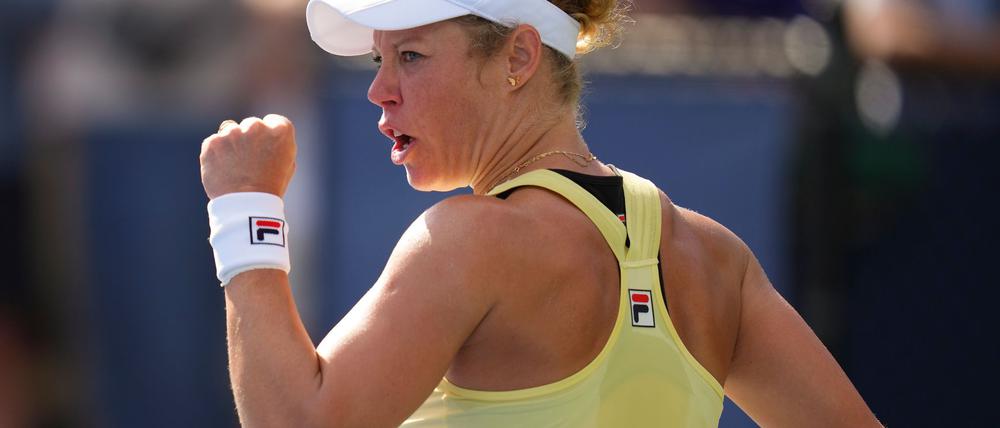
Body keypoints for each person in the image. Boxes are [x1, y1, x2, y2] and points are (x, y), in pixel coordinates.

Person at [198, 0, 882, 425]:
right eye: (380, 60)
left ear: (520, 56)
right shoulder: (716, 259)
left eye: (410, 56)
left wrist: (244, 210)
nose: (380, 90)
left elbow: (298, 422)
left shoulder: (467, 244)